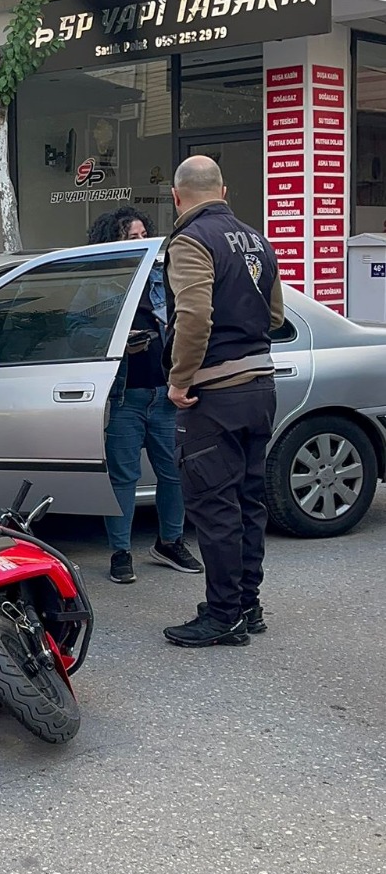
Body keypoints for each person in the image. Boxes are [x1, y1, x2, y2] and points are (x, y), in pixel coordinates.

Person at [162, 157, 284, 649]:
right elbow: (275, 315)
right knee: (248, 504)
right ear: (224, 190)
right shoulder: (256, 239)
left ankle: (223, 615)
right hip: (261, 388)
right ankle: (245, 605)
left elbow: (194, 316)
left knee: (214, 510)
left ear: (176, 196)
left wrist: (178, 380)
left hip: (215, 394)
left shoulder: (191, 240)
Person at [88, 204, 202, 585]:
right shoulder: (99, 282)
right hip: (125, 395)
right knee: (123, 476)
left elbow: (187, 322)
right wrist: (118, 344)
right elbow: (76, 330)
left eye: (142, 235)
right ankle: (120, 552)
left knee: (174, 473)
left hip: (164, 392)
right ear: (112, 242)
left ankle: (169, 542)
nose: (141, 242)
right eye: (130, 236)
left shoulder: (162, 276)